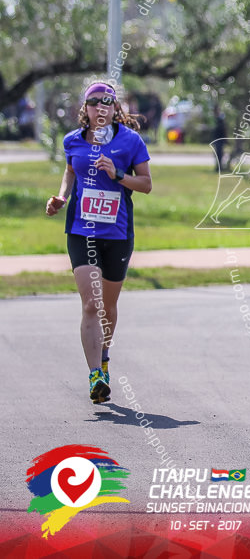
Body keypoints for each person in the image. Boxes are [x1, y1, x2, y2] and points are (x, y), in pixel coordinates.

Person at [45, 81, 152, 403]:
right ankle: (96, 375)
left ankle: (104, 355)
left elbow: (146, 185)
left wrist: (118, 174)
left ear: (115, 107)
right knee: (91, 304)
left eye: (107, 101)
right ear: (85, 108)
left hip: (117, 235)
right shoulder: (73, 140)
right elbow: (70, 172)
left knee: (108, 306)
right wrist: (61, 197)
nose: (100, 107)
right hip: (81, 231)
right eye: (94, 102)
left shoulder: (130, 141)